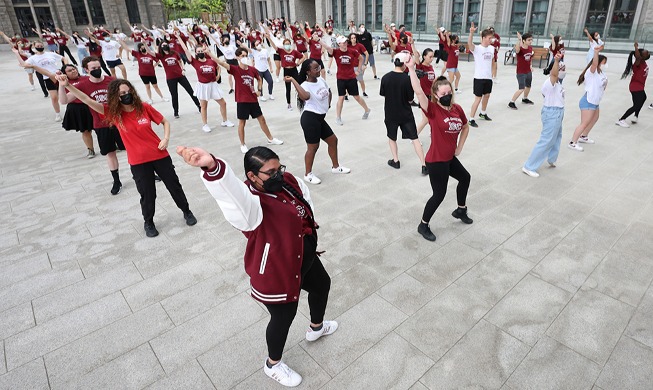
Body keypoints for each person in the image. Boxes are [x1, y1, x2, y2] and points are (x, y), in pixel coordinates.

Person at [177, 145, 337, 387]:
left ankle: (316, 327)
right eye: (270, 172)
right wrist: (212, 167)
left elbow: (305, 202)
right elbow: (232, 195)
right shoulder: (250, 203)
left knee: (322, 285)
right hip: (276, 271)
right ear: (252, 176)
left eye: (279, 168)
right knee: (284, 316)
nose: (278, 175)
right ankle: (273, 364)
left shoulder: (288, 181)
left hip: (303, 258)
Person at [58, 76, 197, 237]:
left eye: (128, 91)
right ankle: (149, 222)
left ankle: (186, 211)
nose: (126, 94)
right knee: (147, 193)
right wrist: (68, 85)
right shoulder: (113, 112)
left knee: (174, 186)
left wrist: (165, 139)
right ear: (114, 96)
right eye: (121, 93)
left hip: (160, 155)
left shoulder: (144, 107)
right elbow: (86, 99)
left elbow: (165, 122)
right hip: (138, 161)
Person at [407, 57, 472, 242]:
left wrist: (459, 148)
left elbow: (465, 127)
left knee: (465, 178)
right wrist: (411, 69)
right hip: (436, 160)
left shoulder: (457, 109)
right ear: (436, 94)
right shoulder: (433, 110)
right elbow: (419, 92)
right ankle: (423, 224)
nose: (447, 95)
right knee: (439, 194)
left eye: (449, 91)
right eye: (443, 92)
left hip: (449, 158)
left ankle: (461, 210)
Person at [59, 56, 125, 194]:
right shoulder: (82, 85)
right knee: (110, 153)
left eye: (98, 67)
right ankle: (116, 180)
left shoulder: (111, 81)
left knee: (132, 149)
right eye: (93, 68)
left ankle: (144, 173)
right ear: (86, 70)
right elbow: (64, 100)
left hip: (120, 122)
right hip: (101, 125)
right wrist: (61, 85)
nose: (97, 70)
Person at [286, 59, 350, 184]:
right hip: (310, 119)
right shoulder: (305, 85)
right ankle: (307, 174)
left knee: (333, 141)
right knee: (313, 147)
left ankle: (336, 167)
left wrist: (328, 105)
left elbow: (329, 91)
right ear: (308, 72)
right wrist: (293, 81)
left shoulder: (321, 80)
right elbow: (305, 97)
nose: (318, 70)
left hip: (320, 118)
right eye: (315, 68)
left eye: (319, 67)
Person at [215, 47, 284, 153]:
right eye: (242, 56)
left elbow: (259, 79)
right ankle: (242, 144)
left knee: (262, 119)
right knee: (242, 122)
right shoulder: (235, 69)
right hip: (242, 100)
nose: (244, 57)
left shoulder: (252, 69)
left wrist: (259, 90)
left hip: (253, 99)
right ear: (237, 57)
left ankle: (271, 138)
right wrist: (209, 54)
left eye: (246, 55)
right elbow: (222, 63)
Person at [177, 33, 234, 132]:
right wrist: (178, 38)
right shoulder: (194, 62)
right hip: (203, 86)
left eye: (201, 51)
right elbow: (186, 50)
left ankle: (225, 121)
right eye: (198, 51)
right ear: (195, 53)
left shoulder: (210, 61)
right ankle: (205, 124)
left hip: (213, 85)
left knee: (223, 103)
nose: (200, 52)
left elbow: (218, 67)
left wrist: (218, 75)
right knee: (204, 106)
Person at [381, 52, 427, 175]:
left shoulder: (385, 77)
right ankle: (424, 164)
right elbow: (410, 99)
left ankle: (395, 160)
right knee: (415, 138)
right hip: (406, 113)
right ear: (404, 64)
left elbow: (384, 94)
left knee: (392, 137)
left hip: (390, 113)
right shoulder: (407, 79)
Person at [522, 53, 566, 178]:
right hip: (552, 113)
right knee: (546, 140)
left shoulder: (558, 84)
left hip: (558, 112)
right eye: (560, 68)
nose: (563, 71)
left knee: (557, 137)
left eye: (564, 68)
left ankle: (551, 158)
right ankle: (529, 166)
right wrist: (556, 61)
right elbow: (554, 74)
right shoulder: (549, 82)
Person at [13, 41, 67, 121]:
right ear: (34, 47)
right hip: (47, 79)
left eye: (41, 45)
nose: (40, 46)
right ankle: (57, 114)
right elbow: (24, 64)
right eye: (38, 45)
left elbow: (63, 58)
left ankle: (70, 111)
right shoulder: (33, 58)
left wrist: (65, 67)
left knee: (65, 96)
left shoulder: (50, 54)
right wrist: (17, 53)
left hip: (59, 76)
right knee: (54, 98)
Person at [568, 46, 607, 151]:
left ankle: (584, 136)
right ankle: (573, 142)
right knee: (584, 123)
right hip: (588, 101)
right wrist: (596, 52)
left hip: (595, 101)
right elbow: (594, 63)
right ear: (598, 62)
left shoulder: (601, 73)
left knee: (594, 119)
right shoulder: (591, 72)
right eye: (603, 63)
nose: (605, 65)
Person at [326, 36, 371, 125]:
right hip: (341, 78)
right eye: (343, 42)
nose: (345, 43)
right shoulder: (336, 52)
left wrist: (358, 70)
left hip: (351, 78)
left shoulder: (352, 51)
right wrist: (319, 40)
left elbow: (361, 58)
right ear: (339, 44)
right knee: (341, 97)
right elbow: (327, 48)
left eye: (346, 41)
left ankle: (367, 110)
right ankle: (338, 117)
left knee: (356, 97)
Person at [154, 40, 201, 118]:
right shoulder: (161, 56)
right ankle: (176, 112)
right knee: (174, 95)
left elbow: (180, 61)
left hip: (180, 76)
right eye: (163, 45)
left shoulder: (174, 53)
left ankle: (199, 106)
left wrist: (183, 69)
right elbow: (150, 52)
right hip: (170, 78)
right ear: (161, 48)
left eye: (166, 44)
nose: (165, 46)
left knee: (190, 91)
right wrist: (145, 44)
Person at [265, 29, 304, 111]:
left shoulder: (294, 52)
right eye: (286, 44)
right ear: (283, 45)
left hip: (294, 70)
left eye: (288, 44)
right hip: (286, 71)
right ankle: (289, 104)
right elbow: (274, 46)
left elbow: (303, 57)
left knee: (298, 86)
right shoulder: (281, 51)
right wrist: (269, 38)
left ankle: (301, 101)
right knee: (288, 88)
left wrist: (298, 63)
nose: (287, 45)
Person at [615, 42, 650, 128]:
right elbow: (637, 56)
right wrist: (636, 48)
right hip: (636, 87)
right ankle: (621, 119)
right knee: (637, 105)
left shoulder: (643, 62)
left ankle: (635, 116)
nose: (648, 53)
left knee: (643, 98)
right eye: (646, 53)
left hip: (639, 86)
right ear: (641, 56)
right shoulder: (638, 63)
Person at [466, 23, 494, 128]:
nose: (491, 39)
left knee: (487, 96)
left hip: (488, 78)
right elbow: (469, 44)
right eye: (489, 38)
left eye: (491, 38)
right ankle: (471, 119)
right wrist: (471, 33)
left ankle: (483, 113)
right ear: (483, 38)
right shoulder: (477, 49)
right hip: (479, 78)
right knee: (478, 98)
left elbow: (491, 62)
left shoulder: (491, 48)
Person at [508, 32, 535, 110]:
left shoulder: (530, 48)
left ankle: (525, 98)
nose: (530, 41)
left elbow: (530, 58)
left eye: (531, 40)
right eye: (529, 40)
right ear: (524, 41)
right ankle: (511, 102)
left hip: (528, 71)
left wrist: (530, 66)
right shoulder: (520, 49)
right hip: (521, 72)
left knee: (528, 86)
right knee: (521, 88)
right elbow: (517, 49)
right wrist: (519, 39)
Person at [415, 48, 436, 136]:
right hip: (424, 96)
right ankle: (414, 136)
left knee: (432, 116)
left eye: (433, 57)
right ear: (424, 56)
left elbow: (433, 80)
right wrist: (412, 44)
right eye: (430, 57)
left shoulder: (430, 67)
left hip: (432, 95)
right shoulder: (421, 67)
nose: (432, 59)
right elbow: (416, 56)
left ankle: (433, 133)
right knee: (425, 119)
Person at [247, 37, 275, 101]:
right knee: (260, 83)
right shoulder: (254, 51)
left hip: (265, 69)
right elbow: (248, 50)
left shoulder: (265, 51)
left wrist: (271, 68)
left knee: (270, 81)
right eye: (257, 45)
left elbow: (269, 60)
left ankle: (270, 94)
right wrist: (242, 44)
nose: (258, 45)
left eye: (259, 43)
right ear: (254, 46)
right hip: (258, 70)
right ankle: (261, 95)